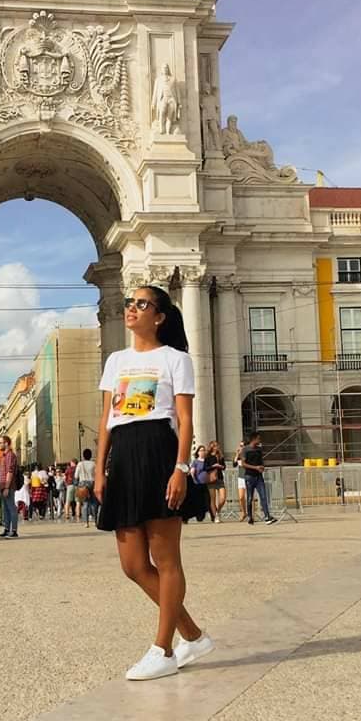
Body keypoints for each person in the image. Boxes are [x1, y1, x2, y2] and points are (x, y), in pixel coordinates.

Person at [95, 285, 214, 681]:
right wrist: (99, 469)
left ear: (159, 316)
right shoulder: (116, 359)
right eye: (130, 303)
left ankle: (162, 649)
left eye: (141, 303)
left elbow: (185, 418)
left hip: (159, 451)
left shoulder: (176, 359)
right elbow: (106, 418)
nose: (131, 308)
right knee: (132, 565)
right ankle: (192, 635)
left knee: (166, 560)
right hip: (124, 456)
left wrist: (180, 469)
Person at [241, 433, 278, 525]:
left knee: (263, 496)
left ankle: (267, 516)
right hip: (249, 476)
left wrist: (262, 467)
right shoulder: (245, 450)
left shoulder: (259, 449)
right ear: (253, 439)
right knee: (250, 497)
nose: (259, 440)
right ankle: (250, 516)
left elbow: (261, 461)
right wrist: (255, 467)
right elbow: (243, 464)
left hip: (259, 477)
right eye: (258, 439)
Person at [0, 434, 20, 538]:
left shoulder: (10, 455)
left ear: (6, 443)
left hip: (9, 486)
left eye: (0, 443)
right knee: (6, 508)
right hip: (3, 485)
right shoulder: (4, 456)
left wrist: (7, 486)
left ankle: (14, 530)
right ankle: (7, 529)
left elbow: (10, 472)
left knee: (11, 507)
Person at [205, 441, 226, 524]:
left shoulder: (220, 456)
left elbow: (224, 466)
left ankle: (218, 511)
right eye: (214, 446)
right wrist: (213, 466)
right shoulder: (208, 457)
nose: (216, 447)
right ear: (211, 447)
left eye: (217, 446)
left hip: (220, 478)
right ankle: (215, 517)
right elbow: (205, 468)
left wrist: (221, 466)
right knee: (212, 499)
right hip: (211, 479)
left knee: (223, 498)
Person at [75, 449, 97, 528]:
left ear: (83, 456)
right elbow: (96, 474)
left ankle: (86, 522)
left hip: (83, 483)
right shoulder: (93, 463)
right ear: (91, 455)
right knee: (94, 503)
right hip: (92, 483)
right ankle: (95, 521)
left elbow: (76, 476)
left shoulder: (80, 464)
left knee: (85, 503)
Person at [232, 441, 248, 521]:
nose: (242, 447)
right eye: (241, 445)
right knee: (241, 497)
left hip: (248, 477)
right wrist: (237, 454)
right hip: (241, 477)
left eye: (243, 445)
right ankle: (244, 512)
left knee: (250, 497)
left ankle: (251, 515)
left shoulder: (248, 454)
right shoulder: (239, 455)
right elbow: (234, 464)